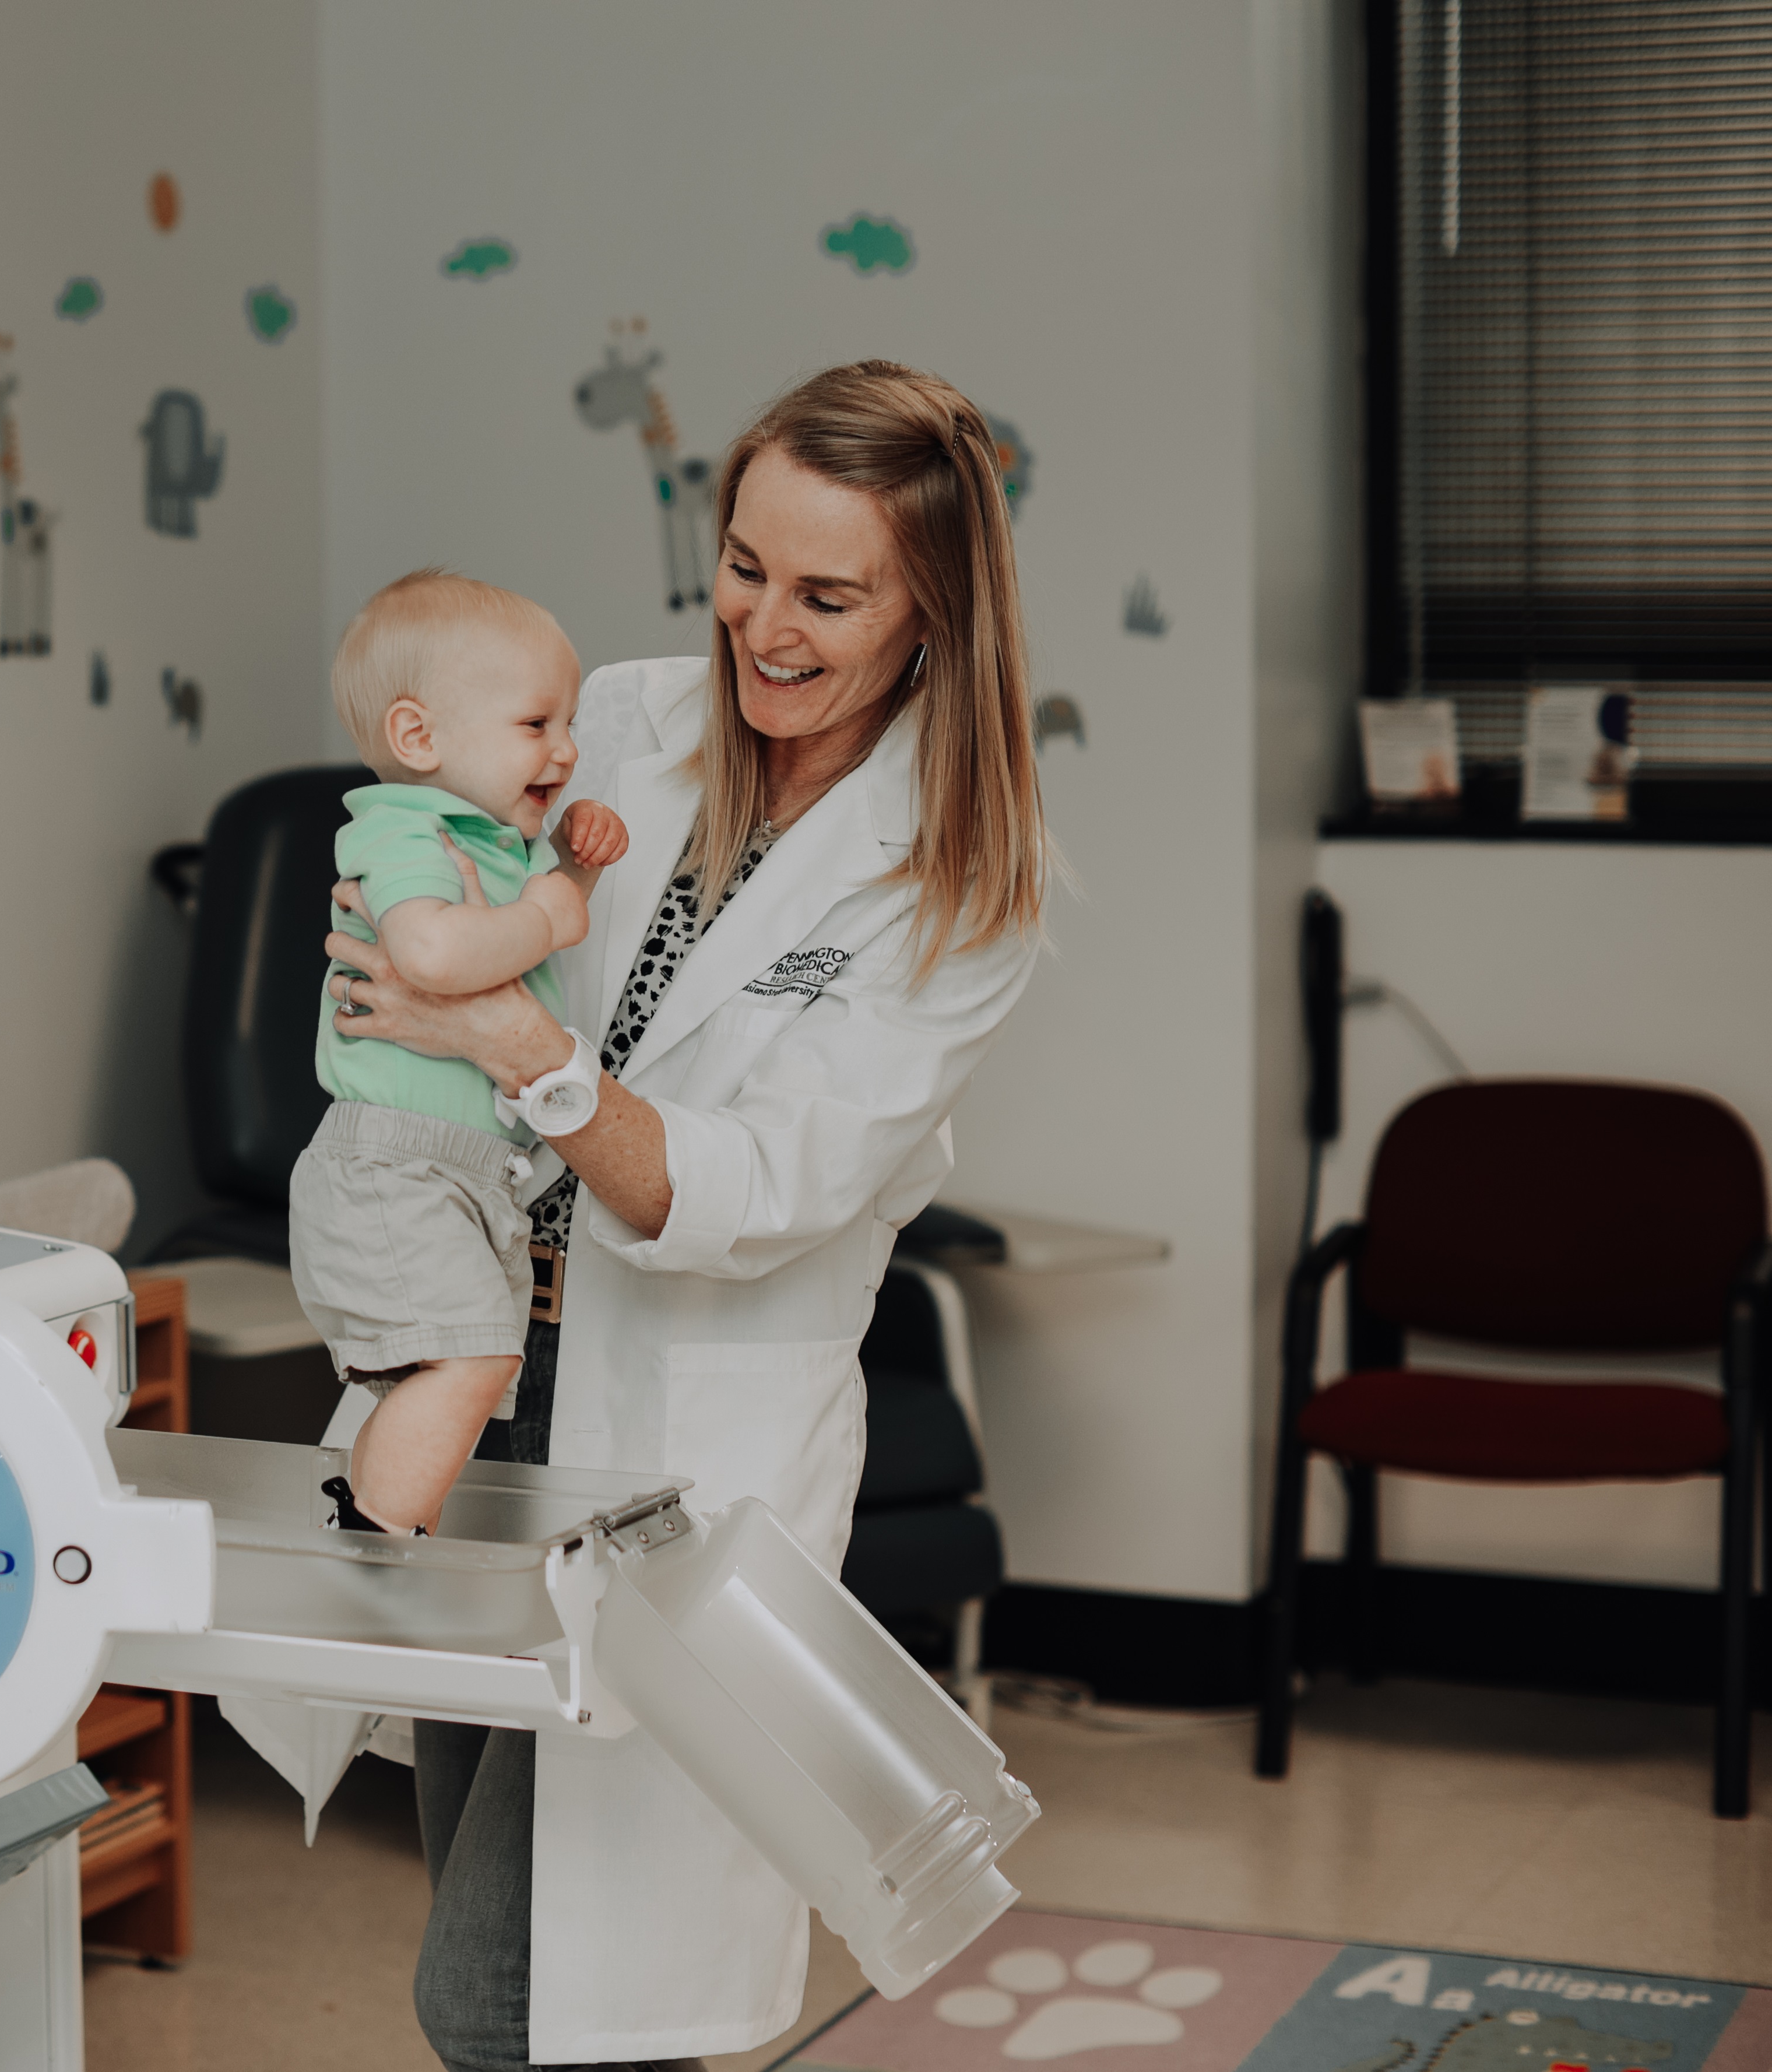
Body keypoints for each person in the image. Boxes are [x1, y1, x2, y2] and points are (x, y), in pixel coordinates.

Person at [320, 361, 1052, 2072]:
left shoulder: (952, 882)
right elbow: (410, 883)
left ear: (931, 603)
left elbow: (759, 1190)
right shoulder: (614, 725)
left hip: (684, 1456)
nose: (763, 627)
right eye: (741, 567)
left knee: (519, 1995)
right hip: (492, 1380)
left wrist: (515, 1037)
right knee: (503, 1954)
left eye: (826, 592)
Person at [291, 571, 631, 1537]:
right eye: (537, 725)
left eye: (569, 725)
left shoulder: (489, 839)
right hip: (396, 1165)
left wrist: (575, 867)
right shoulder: (404, 829)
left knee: (474, 1369)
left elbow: (513, 950)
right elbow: (434, 953)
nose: (567, 750)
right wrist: (549, 909)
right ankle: (371, 1543)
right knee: (475, 1360)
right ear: (418, 739)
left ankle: (366, 1520)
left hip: (459, 1171)